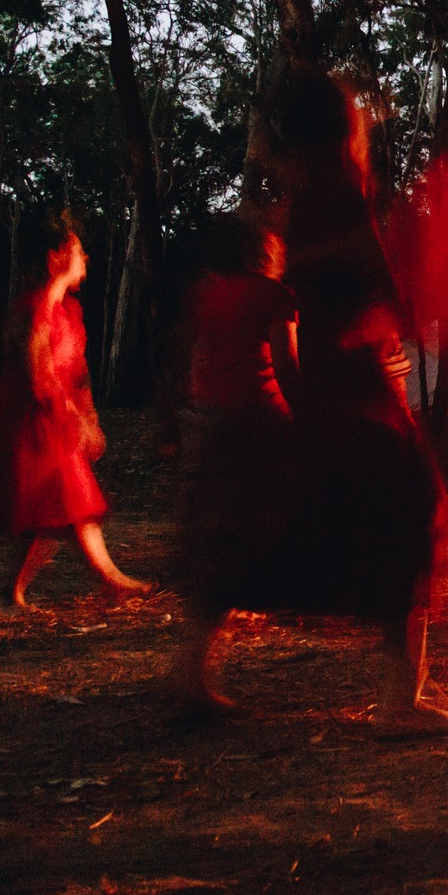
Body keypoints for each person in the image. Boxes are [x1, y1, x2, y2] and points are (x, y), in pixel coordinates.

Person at [275, 70, 448, 732]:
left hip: (325, 382)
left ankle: (400, 690)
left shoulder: (298, 202)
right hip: (360, 387)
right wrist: (387, 317)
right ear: (341, 129)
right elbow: (378, 286)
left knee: (387, 522)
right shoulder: (343, 198)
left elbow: (302, 294)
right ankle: (398, 698)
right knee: (417, 515)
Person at [0, 215, 152, 609]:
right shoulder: (34, 309)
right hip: (33, 422)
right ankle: (89, 581)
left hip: (56, 420)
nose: (85, 257)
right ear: (55, 258)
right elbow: (36, 373)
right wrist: (72, 418)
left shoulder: (67, 311)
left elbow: (78, 373)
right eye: (78, 250)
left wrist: (88, 416)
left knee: (67, 508)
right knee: (59, 508)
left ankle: (82, 581)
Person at [168, 211, 301, 716]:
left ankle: (192, 668)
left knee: (215, 541)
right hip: (254, 425)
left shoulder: (205, 291)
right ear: (261, 250)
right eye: (275, 243)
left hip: (205, 421)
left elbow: (184, 355)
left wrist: (173, 419)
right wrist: (307, 417)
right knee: (238, 541)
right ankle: (192, 678)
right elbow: (287, 367)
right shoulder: (273, 296)